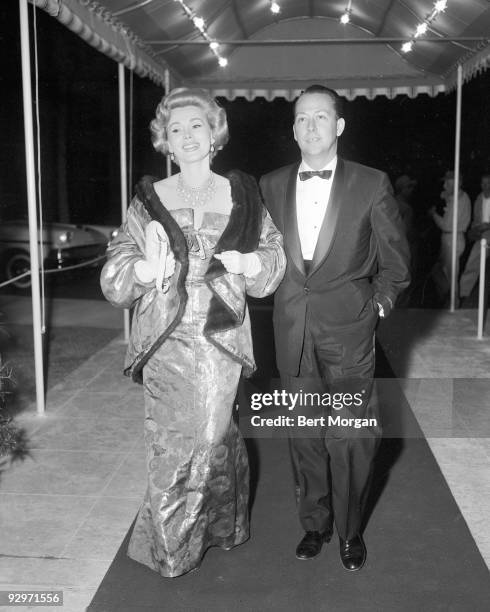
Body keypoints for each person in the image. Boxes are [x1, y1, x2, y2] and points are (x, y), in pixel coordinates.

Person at [100, 87, 286, 578]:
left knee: (212, 437)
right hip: (164, 337)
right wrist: (141, 269)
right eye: (175, 128)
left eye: (196, 126)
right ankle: (170, 549)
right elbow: (116, 265)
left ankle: (219, 526)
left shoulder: (242, 194)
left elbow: (273, 255)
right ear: (165, 139)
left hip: (220, 336)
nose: (186, 136)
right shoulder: (149, 199)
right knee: (168, 444)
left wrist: (251, 262)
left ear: (214, 134)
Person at [259, 85, 410, 571]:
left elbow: (397, 265)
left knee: (350, 435)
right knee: (303, 432)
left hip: (349, 332)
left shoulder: (372, 183)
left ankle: (350, 531)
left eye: (320, 117)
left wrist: (377, 308)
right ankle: (315, 524)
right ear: (293, 128)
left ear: (339, 126)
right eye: (302, 118)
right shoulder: (270, 185)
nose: (310, 126)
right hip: (291, 331)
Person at [429, 170, 471, 302]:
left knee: (450, 275)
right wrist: (447, 196)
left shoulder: (459, 200)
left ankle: (453, 303)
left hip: (452, 239)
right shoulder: (459, 197)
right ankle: (450, 300)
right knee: (444, 272)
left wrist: (434, 215)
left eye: (447, 182)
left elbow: (447, 225)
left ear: (456, 182)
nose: (444, 185)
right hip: (452, 239)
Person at [459, 173, 490, 304]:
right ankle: (462, 294)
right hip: (482, 238)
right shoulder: (478, 199)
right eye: (483, 183)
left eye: (488, 183)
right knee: (472, 264)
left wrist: (488, 225)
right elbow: (475, 219)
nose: (485, 186)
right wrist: (475, 228)